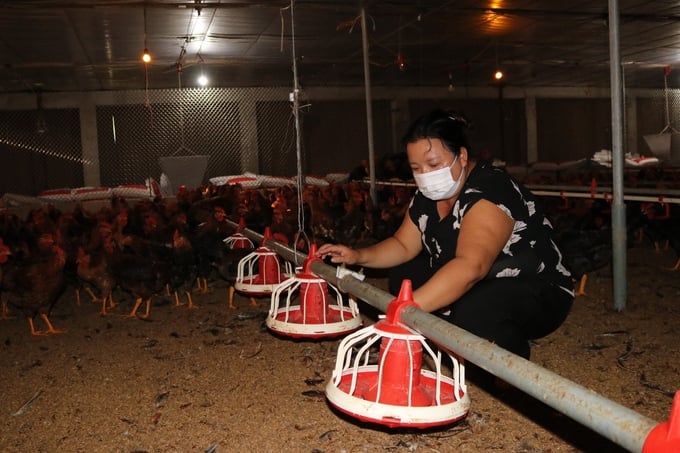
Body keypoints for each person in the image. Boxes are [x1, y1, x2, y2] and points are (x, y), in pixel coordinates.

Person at [317, 108, 574, 360]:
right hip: (479, 278)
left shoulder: (491, 191)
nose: (425, 176)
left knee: (473, 314)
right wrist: (358, 255)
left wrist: (403, 310)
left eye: (434, 164)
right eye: (416, 168)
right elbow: (402, 245)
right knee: (404, 276)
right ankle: (447, 322)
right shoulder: (428, 195)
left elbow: (471, 266)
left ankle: (511, 358)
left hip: (531, 285)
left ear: (461, 156)